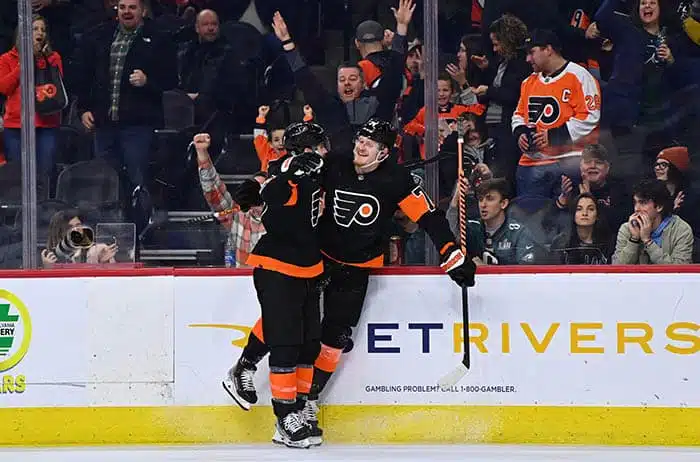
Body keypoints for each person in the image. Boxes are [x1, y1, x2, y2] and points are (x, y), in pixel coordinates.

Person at [225, 118, 476, 446]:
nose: (361, 144)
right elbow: (284, 167)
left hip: (357, 267)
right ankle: (248, 364)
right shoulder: (336, 162)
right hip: (319, 258)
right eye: (361, 137)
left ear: (384, 153)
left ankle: (308, 400)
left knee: (334, 338)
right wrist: (256, 184)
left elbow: (429, 217)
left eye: (369, 143)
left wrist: (451, 255)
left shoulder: (397, 180)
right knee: (289, 320)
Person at [211, 122, 328, 449]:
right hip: (276, 264)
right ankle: (284, 416)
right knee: (287, 339)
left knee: (308, 342)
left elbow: (269, 173)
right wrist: (286, 175)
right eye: (315, 148)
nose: (321, 153)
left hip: (309, 265)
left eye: (321, 146)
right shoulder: (290, 177)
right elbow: (272, 191)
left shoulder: (317, 171)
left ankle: (247, 367)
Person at [511, 29, 601, 199]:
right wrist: (521, 132)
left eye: (531, 52)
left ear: (548, 49)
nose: (527, 59)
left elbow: (590, 116)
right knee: (530, 219)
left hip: (570, 160)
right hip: (532, 162)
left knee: (565, 218)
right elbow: (519, 114)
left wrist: (554, 135)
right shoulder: (528, 82)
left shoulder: (580, 76)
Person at [0, 15, 63, 191]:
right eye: (35, 29)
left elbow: (57, 85)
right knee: (16, 175)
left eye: (42, 29)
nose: (39, 33)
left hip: (46, 123)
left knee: (45, 172)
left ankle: (43, 212)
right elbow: (4, 87)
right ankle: (19, 214)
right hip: (16, 125)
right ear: (24, 33)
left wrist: (41, 59)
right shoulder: (7, 59)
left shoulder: (53, 57)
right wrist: (24, 63)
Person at [612, 178, 694, 264]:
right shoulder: (627, 228)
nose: (636, 209)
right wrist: (634, 240)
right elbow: (616, 268)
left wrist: (648, 242)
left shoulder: (681, 230)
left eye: (643, 203)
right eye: (635, 203)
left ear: (659, 206)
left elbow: (680, 271)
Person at [550, 192, 614, 264]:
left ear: (597, 216)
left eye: (590, 209)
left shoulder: (607, 241)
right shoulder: (561, 242)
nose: (585, 213)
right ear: (573, 214)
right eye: (579, 209)